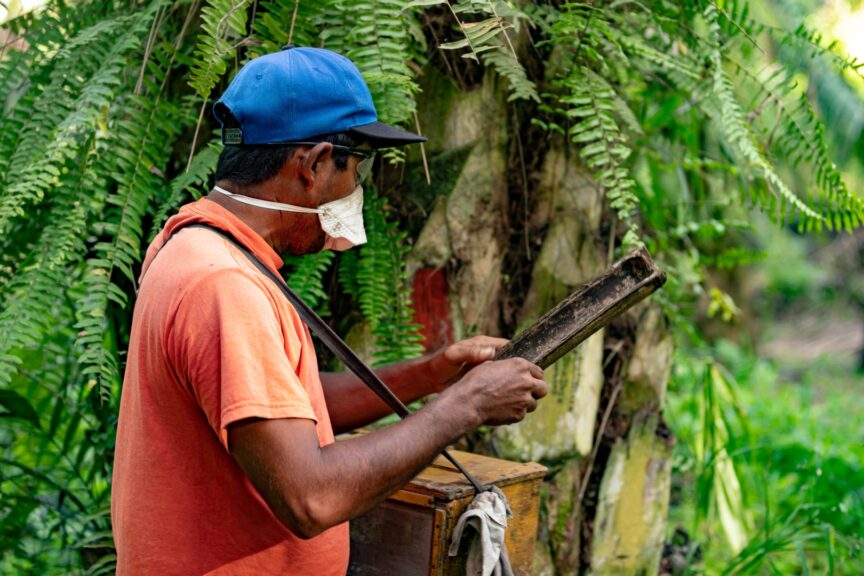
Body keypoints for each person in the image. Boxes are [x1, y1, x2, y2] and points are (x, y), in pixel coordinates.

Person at [111, 47, 547, 575]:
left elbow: (287, 409)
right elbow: (310, 498)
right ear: (315, 164)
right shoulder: (223, 283)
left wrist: (435, 373)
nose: (355, 191)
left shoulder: (201, 247)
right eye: (355, 169)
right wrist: (467, 406)